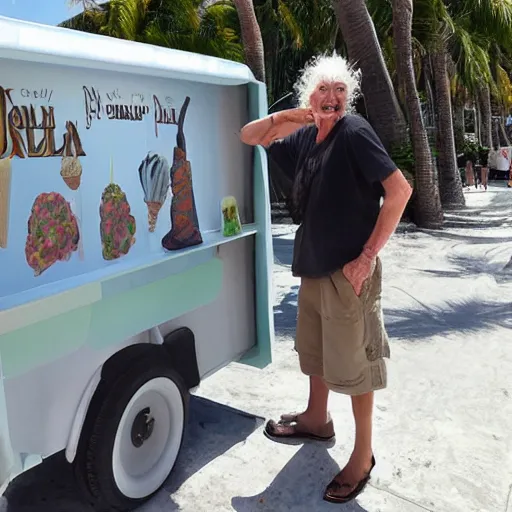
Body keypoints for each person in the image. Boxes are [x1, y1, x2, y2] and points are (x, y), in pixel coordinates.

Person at [240, 54, 412, 504]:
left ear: (348, 96)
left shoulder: (354, 132)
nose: (332, 98)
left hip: (347, 272)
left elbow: (400, 190)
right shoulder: (306, 140)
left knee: (356, 368)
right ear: (309, 96)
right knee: (315, 354)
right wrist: (294, 116)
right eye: (323, 89)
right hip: (314, 265)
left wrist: (367, 257)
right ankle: (317, 419)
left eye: (339, 90)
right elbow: (250, 136)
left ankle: (363, 455)